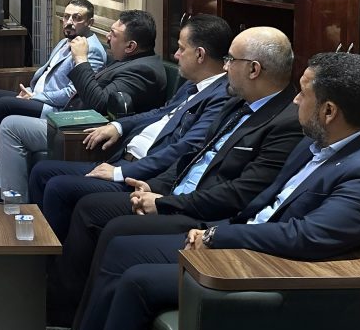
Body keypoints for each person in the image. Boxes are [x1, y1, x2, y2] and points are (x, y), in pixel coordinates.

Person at [69, 52, 360, 330]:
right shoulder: (316, 144)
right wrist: (215, 229)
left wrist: (218, 236)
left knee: (137, 280)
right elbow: (265, 203)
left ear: (328, 111)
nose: (296, 100)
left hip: (283, 271)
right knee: (124, 247)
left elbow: (307, 237)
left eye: (303, 93)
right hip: (247, 238)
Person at [46, 26, 303, 327]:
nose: (226, 67)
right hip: (174, 191)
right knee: (92, 209)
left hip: (205, 214)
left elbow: (239, 193)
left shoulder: (285, 122)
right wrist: (154, 186)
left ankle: (82, 328)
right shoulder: (237, 102)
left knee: (116, 233)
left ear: (254, 69)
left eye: (231, 60)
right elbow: (193, 156)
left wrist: (164, 202)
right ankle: (74, 320)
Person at [30, 14, 234, 241]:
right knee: (42, 171)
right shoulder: (192, 84)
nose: (176, 55)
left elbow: (187, 147)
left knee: (58, 186)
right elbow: (160, 112)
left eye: (181, 49)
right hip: (123, 157)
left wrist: (121, 173)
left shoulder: (221, 96)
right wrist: (118, 125)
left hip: (142, 174)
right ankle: (37, 249)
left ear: (200, 55)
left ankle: (53, 258)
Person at [0, 10, 167, 202]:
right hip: (73, 118)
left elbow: (100, 103)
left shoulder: (143, 71)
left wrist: (81, 59)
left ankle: (14, 203)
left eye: (113, 34)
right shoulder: (129, 61)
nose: (107, 37)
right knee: (6, 115)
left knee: (11, 125)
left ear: (130, 46)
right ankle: (3, 191)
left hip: (87, 132)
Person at [0, 0, 106, 178]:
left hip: (57, 108)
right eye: (66, 17)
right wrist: (31, 91)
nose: (69, 22)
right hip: (37, 95)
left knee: (2, 105)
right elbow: (47, 72)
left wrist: (36, 96)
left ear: (90, 22)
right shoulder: (66, 41)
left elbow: (71, 94)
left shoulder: (92, 50)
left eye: (76, 18)